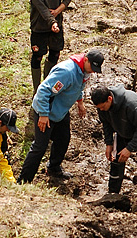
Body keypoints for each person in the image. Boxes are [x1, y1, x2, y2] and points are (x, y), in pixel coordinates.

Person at [17, 49, 104, 184]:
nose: (92, 71)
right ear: (85, 59)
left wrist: (80, 102)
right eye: (92, 67)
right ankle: (24, 181)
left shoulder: (84, 71)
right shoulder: (66, 72)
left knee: (63, 139)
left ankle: (53, 167)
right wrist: (43, 114)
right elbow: (43, 91)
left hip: (60, 112)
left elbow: (78, 87)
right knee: (40, 147)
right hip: (46, 111)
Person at [91, 84, 137, 206]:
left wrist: (129, 148)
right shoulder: (102, 107)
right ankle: (113, 193)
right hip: (122, 129)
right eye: (99, 108)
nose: (101, 110)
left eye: (103, 107)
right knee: (116, 159)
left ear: (109, 99)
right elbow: (106, 124)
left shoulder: (131, 104)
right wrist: (109, 143)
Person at [28, 0, 73, 95]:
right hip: (39, 25)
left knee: (55, 54)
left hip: (56, 24)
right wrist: (52, 21)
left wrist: (58, 11)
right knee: (37, 56)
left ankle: (46, 87)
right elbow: (40, 6)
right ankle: (37, 90)